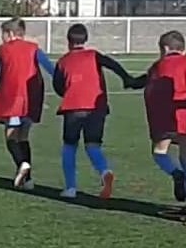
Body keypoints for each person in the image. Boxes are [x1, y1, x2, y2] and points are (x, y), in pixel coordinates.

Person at [49, 23, 138, 199]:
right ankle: (105, 171)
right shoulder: (94, 55)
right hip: (97, 108)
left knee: (69, 146)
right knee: (92, 145)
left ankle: (71, 188)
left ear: (68, 40)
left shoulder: (63, 61)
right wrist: (127, 78)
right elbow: (112, 64)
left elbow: (58, 86)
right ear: (86, 39)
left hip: (73, 108)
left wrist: (69, 92)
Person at [131, 31, 186, 216]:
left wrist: (130, 81)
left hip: (165, 117)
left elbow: (145, 80)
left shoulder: (159, 65)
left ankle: (176, 173)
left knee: (159, 152)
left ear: (165, 48)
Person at [0, 17, 55, 189]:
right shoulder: (34, 48)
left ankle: (22, 164)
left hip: (12, 98)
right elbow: (51, 69)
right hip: (32, 97)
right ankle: (28, 180)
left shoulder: (2, 50)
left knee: (11, 135)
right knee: (24, 136)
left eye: (3, 34)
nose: (2, 38)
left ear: (10, 34)